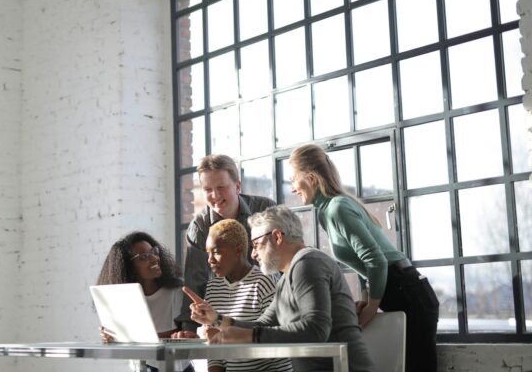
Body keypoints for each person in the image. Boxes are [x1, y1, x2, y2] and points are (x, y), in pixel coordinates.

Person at [289, 143, 439, 372]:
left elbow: (376, 261)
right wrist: (367, 298)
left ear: (310, 178)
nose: (292, 188)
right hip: (399, 291)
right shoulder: (326, 213)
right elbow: (363, 263)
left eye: (293, 179)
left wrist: (370, 310)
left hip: (408, 291)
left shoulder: (338, 208)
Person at [185, 206, 375, 372]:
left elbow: (316, 329)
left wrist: (251, 336)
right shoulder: (288, 277)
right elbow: (264, 324)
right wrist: (217, 319)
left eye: (256, 244)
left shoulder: (308, 263)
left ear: (277, 237)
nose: (252, 254)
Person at [179, 154, 277, 332]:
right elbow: (196, 281)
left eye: (221, 187)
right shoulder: (200, 226)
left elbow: (283, 261)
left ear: (237, 186)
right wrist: (189, 329)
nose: (215, 195)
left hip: (270, 305)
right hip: (224, 313)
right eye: (208, 189)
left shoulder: (264, 210)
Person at [202, 219, 292, 372]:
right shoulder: (212, 288)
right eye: (208, 253)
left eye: (216, 252)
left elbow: (274, 338)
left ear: (238, 250)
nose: (210, 260)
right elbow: (216, 354)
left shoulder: (265, 281)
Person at [97, 231, 194, 372]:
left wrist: (124, 337)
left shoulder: (176, 290)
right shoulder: (125, 298)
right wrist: (111, 335)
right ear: (129, 267)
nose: (154, 258)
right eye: (144, 257)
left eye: (154, 252)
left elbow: (175, 337)